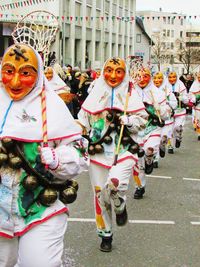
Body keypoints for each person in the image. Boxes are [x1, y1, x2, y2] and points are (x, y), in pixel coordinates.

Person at [0, 43, 89, 267]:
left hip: (41, 209)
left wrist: (59, 159)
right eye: (9, 71)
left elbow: (79, 151)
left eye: (26, 73)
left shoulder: (52, 106)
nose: (16, 81)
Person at [78, 57, 148, 252]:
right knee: (100, 194)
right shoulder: (95, 92)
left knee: (116, 185)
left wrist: (131, 120)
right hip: (98, 152)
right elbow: (82, 120)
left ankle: (120, 205)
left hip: (123, 150)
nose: (113, 75)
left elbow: (143, 121)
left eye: (119, 71)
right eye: (109, 70)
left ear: (125, 74)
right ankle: (105, 233)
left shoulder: (130, 93)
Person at [133, 68, 172, 199]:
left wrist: (159, 109)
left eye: (146, 76)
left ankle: (150, 159)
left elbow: (167, 114)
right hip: (136, 130)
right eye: (140, 76)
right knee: (138, 161)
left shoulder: (158, 93)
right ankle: (140, 186)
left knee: (149, 150)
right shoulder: (130, 92)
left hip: (153, 128)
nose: (142, 79)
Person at [152, 71, 177, 167]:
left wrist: (167, 104)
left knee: (163, 138)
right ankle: (155, 159)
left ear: (163, 79)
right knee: (155, 140)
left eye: (159, 78)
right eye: (155, 78)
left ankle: (163, 146)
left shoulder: (167, 91)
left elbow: (174, 103)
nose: (157, 80)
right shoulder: (149, 91)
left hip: (166, 120)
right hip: (154, 120)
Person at [165, 71, 189, 153]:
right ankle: (170, 146)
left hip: (180, 110)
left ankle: (178, 137)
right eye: (170, 77)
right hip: (169, 111)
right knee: (169, 129)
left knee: (177, 127)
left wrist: (180, 97)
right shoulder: (164, 86)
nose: (172, 79)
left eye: (174, 77)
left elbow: (186, 98)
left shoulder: (181, 85)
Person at [188, 72, 200, 140]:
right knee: (198, 120)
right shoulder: (195, 84)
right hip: (198, 106)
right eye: (198, 77)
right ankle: (199, 134)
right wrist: (194, 99)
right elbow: (190, 93)